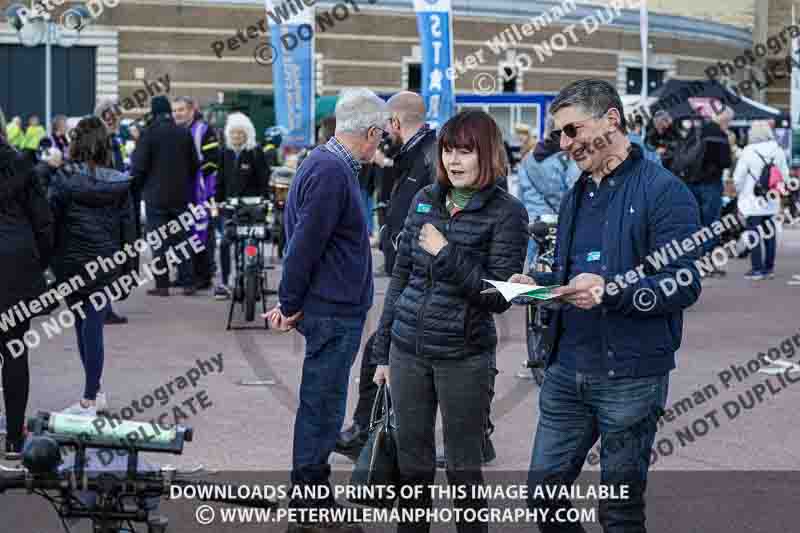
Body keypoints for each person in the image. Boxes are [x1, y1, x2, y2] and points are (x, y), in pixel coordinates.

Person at [511, 79, 702, 533]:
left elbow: (684, 282)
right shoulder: (577, 194)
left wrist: (611, 289)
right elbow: (569, 275)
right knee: (543, 497)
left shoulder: (664, 191)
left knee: (618, 513)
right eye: (561, 134)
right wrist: (536, 284)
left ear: (612, 121)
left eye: (573, 130)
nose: (565, 143)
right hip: (564, 370)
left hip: (631, 377)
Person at [372, 110, 529, 533]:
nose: (454, 160)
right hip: (408, 352)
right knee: (412, 466)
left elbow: (497, 297)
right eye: (447, 150)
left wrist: (445, 255)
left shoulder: (507, 213)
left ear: (487, 155)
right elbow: (401, 277)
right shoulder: (425, 198)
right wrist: (382, 351)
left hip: (464, 357)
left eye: (465, 151)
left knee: (464, 470)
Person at [265, 88, 389, 529]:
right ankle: (310, 504)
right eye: (382, 137)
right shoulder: (333, 171)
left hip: (332, 305)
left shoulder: (324, 164)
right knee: (323, 406)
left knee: (323, 405)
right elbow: (303, 243)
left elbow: (302, 236)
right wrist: (289, 302)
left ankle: (310, 498)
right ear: (371, 132)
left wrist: (293, 301)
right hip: (332, 310)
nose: (383, 145)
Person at [335, 91, 437, 461]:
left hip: (421, 282)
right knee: (384, 351)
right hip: (410, 277)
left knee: (382, 351)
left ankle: (365, 431)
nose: (380, 134)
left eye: (384, 127)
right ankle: (367, 428)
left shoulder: (428, 158)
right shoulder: (413, 157)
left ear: (394, 123)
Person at [49, 117, 136, 417]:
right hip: (105, 261)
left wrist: (48, 261)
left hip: (70, 261)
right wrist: (129, 271)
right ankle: (92, 393)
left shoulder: (63, 177)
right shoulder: (120, 181)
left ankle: (91, 395)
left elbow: (52, 221)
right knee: (93, 324)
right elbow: (129, 229)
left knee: (81, 323)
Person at [0, 123, 54, 458]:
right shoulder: (23, 164)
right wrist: (41, 261)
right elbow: (43, 220)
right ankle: (15, 440)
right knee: (15, 352)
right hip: (17, 267)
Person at [131, 96, 200, 296]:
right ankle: (188, 282)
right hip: (180, 196)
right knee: (182, 239)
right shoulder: (183, 132)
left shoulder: (149, 134)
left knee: (159, 242)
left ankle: (162, 285)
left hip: (156, 197)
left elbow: (139, 166)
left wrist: (139, 188)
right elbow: (195, 164)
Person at [213, 112, 268, 299]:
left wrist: (265, 200)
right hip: (230, 207)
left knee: (252, 242)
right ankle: (225, 281)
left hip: (252, 207)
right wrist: (218, 200)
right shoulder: (224, 153)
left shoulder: (255, 152)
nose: (236, 137)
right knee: (225, 243)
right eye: (233, 133)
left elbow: (264, 179)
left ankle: (255, 276)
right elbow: (220, 180)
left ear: (248, 134)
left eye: (240, 133)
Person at [517, 115, 580, 269]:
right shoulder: (568, 159)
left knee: (527, 276)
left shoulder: (528, 158)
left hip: (532, 227)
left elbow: (520, 198)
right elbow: (573, 195)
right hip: (558, 230)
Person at [174, 96, 220, 291]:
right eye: (175, 110)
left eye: (181, 109)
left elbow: (212, 160)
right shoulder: (176, 131)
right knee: (183, 233)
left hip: (201, 192)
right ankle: (185, 273)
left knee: (202, 233)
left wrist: (198, 180)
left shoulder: (204, 130)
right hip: (182, 191)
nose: (177, 114)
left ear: (192, 110)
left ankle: (203, 275)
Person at [733, 120, 789, 280]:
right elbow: (784, 176)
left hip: (752, 200)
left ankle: (756, 269)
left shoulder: (748, 151)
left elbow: (738, 177)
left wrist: (739, 192)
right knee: (769, 234)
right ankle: (769, 268)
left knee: (753, 233)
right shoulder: (778, 150)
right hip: (771, 199)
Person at [96, 99, 133, 325]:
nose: (113, 120)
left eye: (115, 116)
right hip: (104, 207)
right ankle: (101, 308)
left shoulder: (114, 139)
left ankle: (105, 306)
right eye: (109, 116)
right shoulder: (100, 142)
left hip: (115, 206)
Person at [684, 107, 732, 276]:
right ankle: (707, 265)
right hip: (710, 184)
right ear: (724, 120)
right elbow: (726, 162)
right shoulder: (720, 135)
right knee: (711, 226)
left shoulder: (696, 131)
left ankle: (692, 263)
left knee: (694, 225)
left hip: (690, 184)